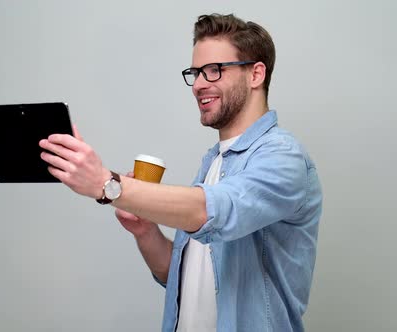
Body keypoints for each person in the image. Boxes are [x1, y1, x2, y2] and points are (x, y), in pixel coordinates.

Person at [39, 13, 322, 332]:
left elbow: (211, 210)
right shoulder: (214, 161)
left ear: (256, 74)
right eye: (195, 72)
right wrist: (146, 231)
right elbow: (178, 279)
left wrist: (108, 185)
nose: (199, 84)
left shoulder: (284, 156)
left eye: (214, 70)